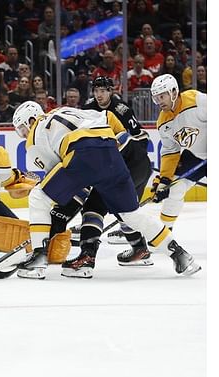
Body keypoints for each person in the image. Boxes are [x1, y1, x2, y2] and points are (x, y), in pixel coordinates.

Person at [0, 101, 201, 280]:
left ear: (31, 119)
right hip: (112, 152)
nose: (23, 134)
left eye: (22, 129)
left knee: (38, 197)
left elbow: (59, 177)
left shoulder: (34, 136)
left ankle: (37, 259)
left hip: (82, 153)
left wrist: (55, 218)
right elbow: (106, 117)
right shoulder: (67, 110)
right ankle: (180, 254)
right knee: (130, 215)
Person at [80, 76, 154, 266]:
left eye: (103, 90)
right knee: (125, 210)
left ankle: (141, 246)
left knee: (123, 208)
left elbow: (141, 137)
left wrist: (134, 157)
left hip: (128, 165)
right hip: (109, 167)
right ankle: (140, 249)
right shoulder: (88, 109)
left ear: (110, 91)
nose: (99, 95)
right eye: (96, 91)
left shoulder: (122, 110)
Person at [150, 74, 207, 229]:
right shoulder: (163, 122)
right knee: (174, 188)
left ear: (174, 92)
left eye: (162, 96)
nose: (159, 101)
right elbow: (170, 151)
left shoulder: (196, 100)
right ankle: (164, 233)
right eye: (156, 98)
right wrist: (164, 180)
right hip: (195, 155)